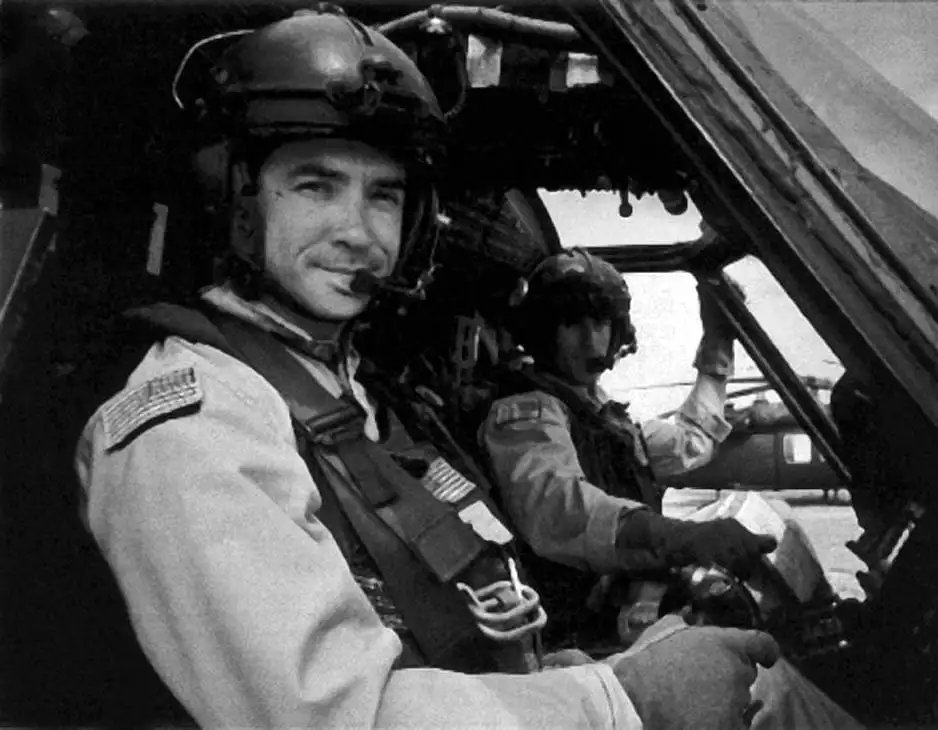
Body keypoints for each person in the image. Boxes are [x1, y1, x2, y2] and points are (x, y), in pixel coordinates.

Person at [73, 8, 780, 728]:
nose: (358, 232)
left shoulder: (348, 389)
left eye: (383, 195)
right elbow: (341, 716)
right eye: (315, 186)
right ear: (240, 197)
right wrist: (621, 698)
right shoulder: (196, 427)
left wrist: (578, 678)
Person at [478, 248, 862, 729]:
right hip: (582, 632)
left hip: (629, 598)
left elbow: (691, 440)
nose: (593, 341)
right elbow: (559, 509)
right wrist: (681, 537)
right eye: (572, 323)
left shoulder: (603, 417)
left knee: (771, 514)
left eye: (603, 324)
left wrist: (719, 343)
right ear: (542, 328)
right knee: (767, 685)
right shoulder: (527, 412)